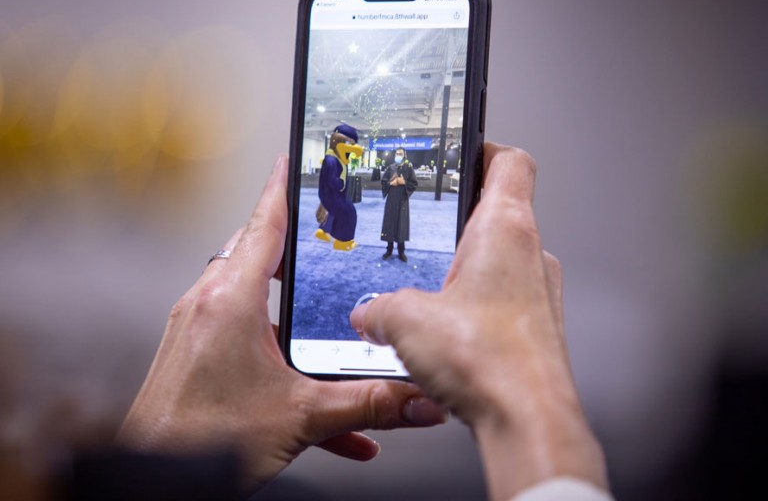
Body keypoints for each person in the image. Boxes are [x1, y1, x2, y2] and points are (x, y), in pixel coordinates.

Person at [112, 143, 611, 501]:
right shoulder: (347, 163)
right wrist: (535, 410)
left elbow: (400, 182)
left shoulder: (399, 170)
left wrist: (148, 469)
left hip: (401, 207)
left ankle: (391, 248)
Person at [315, 123, 363, 251]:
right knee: (348, 213)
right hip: (332, 193)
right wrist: (340, 184)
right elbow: (331, 180)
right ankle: (343, 241)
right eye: (349, 144)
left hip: (332, 194)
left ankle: (323, 232)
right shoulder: (331, 160)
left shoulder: (337, 158)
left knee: (336, 211)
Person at [380, 147, 418, 262]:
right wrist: (392, 183)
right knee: (390, 224)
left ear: (404, 155)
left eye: (400, 154)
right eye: (396, 153)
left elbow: (414, 183)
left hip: (402, 201)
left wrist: (404, 182)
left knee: (401, 225)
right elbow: (383, 182)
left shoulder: (409, 168)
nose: (398, 155)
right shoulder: (391, 168)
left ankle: (401, 251)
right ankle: (389, 249)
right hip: (391, 200)